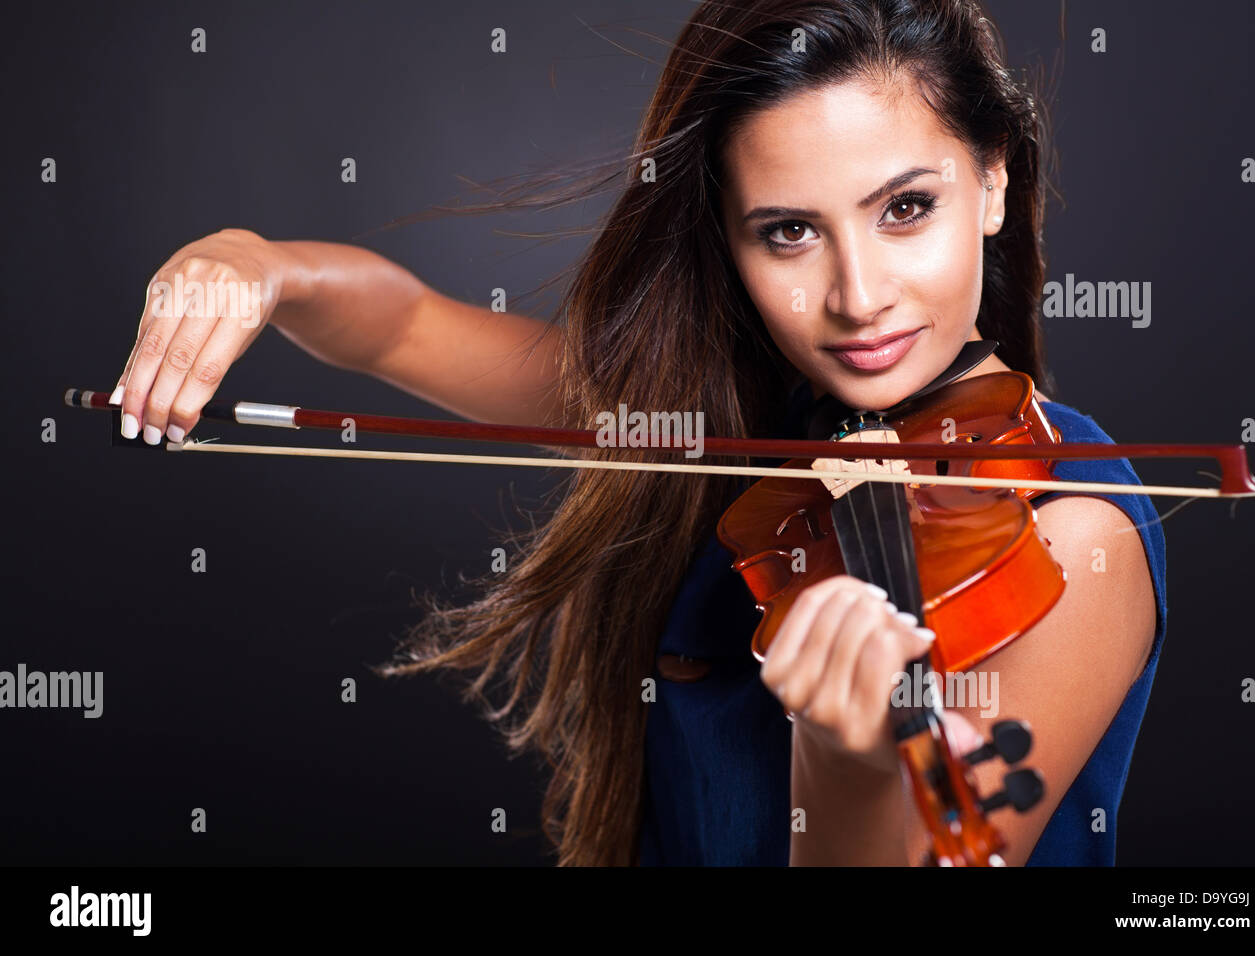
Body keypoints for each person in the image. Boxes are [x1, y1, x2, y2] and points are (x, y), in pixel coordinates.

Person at [108, 0, 1164, 866]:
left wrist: (845, 768)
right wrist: (256, 261)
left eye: (904, 209)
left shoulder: (1075, 541)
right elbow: (403, 323)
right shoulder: (725, 432)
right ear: (729, 241)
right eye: (788, 231)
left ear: (991, 180)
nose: (857, 296)